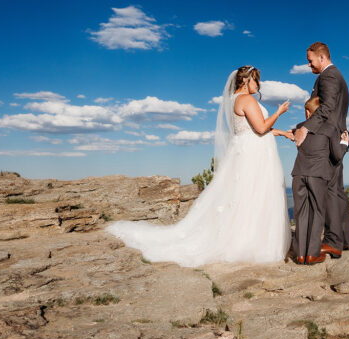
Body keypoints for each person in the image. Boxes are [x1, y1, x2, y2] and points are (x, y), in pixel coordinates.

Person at [105, 66, 290, 267]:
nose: (258, 85)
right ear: (246, 80)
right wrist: (279, 112)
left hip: (245, 151)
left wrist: (281, 133)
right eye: (256, 80)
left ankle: (246, 237)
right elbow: (261, 128)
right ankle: (251, 242)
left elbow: (251, 129)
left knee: (242, 195)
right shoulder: (246, 99)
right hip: (253, 155)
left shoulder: (233, 100)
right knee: (253, 195)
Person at [294, 42, 349, 257]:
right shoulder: (336, 75)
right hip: (335, 137)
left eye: (310, 60)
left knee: (329, 191)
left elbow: (326, 107)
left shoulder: (328, 76)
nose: (308, 64)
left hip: (327, 140)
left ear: (322, 58)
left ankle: (333, 241)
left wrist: (305, 129)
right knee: (335, 190)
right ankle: (343, 239)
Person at [283, 96, 349, 264]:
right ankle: (312, 254)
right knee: (318, 213)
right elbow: (336, 156)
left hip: (298, 174)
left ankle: (300, 254)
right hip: (318, 175)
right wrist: (344, 143)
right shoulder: (330, 129)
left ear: (307, 111)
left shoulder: (300, 127)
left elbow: (293, 135)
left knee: (301, 213)